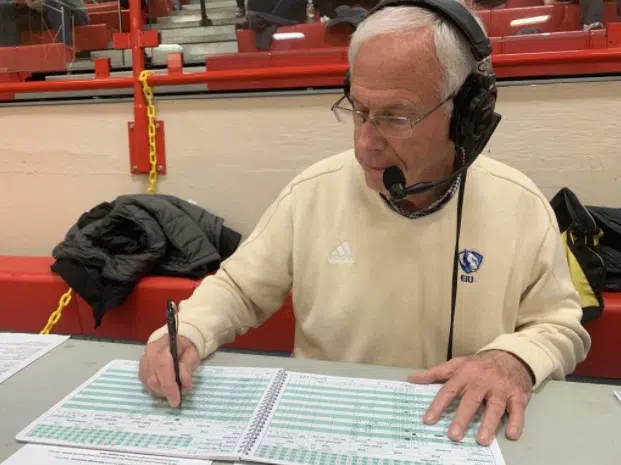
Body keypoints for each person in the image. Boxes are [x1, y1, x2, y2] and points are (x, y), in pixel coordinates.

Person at [139, 0, 590, 447]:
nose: (365, 143)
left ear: (466, 114)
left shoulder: (519, 204)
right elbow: (238, 289)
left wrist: (513, 360)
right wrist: (190, 331)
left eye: (396, 117)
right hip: (323, 433)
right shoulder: (313, 191)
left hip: (458, 433)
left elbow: (559, 324)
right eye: (358, 110)